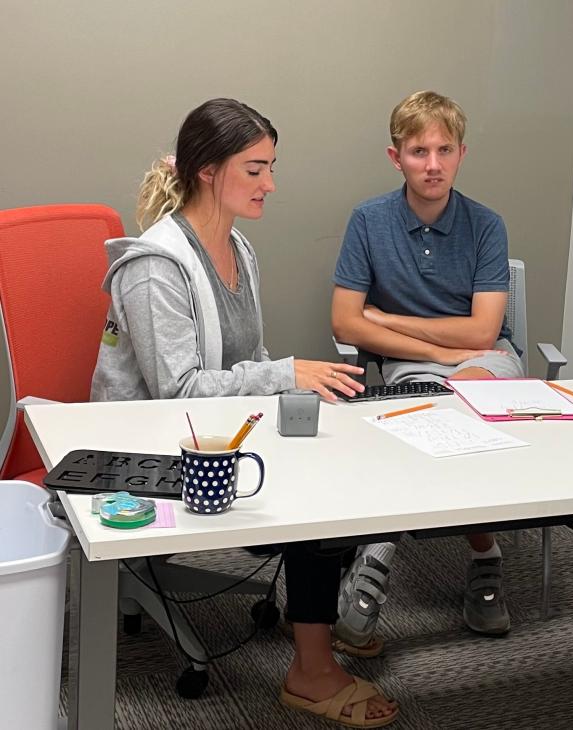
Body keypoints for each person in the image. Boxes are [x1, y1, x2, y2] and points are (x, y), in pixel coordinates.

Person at [90, 98, 398, 727]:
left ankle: (313, 620)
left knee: (339, 461)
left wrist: (298, 393)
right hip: (147, 452)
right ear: (208, 170)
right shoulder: (155, 267)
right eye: (255, 169)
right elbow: (174, 392)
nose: (271, 184)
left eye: (272, 168)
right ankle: (310, 671)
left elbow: (246, 360)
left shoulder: (239, 249)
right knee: (314, 500)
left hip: (210, 433)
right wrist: (286, 374)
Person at [330, 90, 524, 642]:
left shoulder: (487, 225)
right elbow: (346, 323)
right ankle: (479, 555)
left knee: (459, 413)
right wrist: (439, 349)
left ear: (462, 154)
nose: (432, 164)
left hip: (484, 364)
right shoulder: (369, 220)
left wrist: (389, 319)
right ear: (397, 158)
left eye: (444, 150)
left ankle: (387, 549)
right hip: (412, 369)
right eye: (419, 151)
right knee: (427, 414)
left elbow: (483, 332)